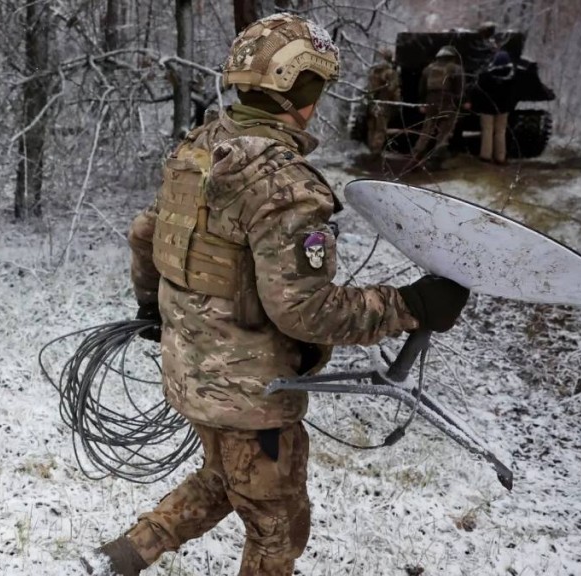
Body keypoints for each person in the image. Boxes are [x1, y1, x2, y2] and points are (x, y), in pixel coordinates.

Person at [83, 13, 470, 576]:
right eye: (315, 88)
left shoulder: (199, 148)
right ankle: (126, 553)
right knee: (278, 527)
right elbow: (306, 310)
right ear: (297, 92)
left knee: (225, 477)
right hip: (251, 398)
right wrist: (409, 306)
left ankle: (122, 556)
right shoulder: (284, 184)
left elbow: (146, 234)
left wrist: (152, 308)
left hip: (192, 374)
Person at [412, 45, 466, 163]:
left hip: (431, 103)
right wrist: (459, 103)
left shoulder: (428, 69)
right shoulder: (456, 69)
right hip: (448, 104)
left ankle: (416, 155)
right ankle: (437, 159)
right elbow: (459, 89)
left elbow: (421, 89)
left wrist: (422, 103)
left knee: (426, 131)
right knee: (444, 133)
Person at [472, 49, 516, 164]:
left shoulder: (485, 76)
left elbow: (478, 92)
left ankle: (486, 156)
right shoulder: (512, 77)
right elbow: (513, 95)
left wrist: (477, 106)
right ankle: (500, 157)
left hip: (487, 108)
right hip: (503, 109)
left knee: (487, 131)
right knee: (500, 132)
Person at [365, 47, 402, 155]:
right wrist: (397, 103)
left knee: (371, 128)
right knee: (380, 129)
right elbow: (393, 89)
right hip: (384, 104)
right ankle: (376, 152)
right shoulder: (390, 72)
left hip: (372, 104)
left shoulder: (373, 71)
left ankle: (371, 149)